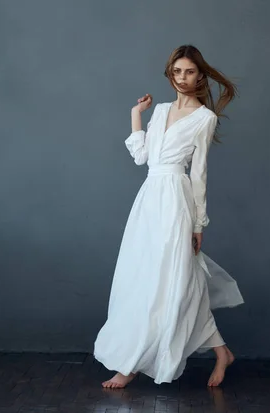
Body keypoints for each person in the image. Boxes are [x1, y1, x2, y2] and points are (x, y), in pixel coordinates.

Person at [94, 45, 244, 388]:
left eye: (189, 72)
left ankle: (130, 366)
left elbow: (200, 174)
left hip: (177, 201)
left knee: (170, 281)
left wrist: (197, 223)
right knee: (155, 278)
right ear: (170, 75)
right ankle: (222, 352)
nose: (182, 78)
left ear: (200, 76)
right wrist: (137, 113)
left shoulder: (205, 118)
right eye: (176, 72)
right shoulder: (160, 111)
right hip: (149, 200)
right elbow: (142, 157)